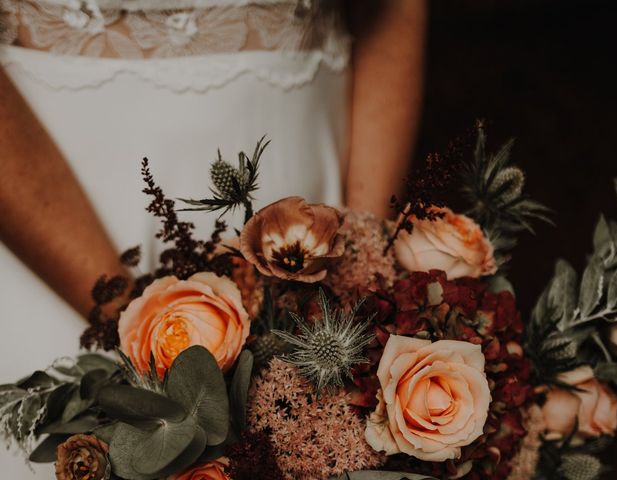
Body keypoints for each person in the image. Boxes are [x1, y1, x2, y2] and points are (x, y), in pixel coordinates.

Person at [0, 0, 425, 475]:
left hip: (316, 220)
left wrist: (362, 260)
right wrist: (148, 345)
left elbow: (395, 12)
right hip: (52, 234)